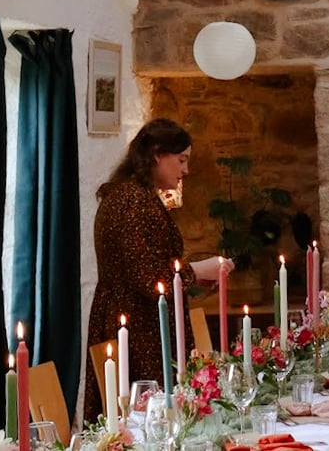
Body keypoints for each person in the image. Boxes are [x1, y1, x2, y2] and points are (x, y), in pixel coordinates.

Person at [85, 118, 235, 421]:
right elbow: (150, 279)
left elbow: (146, 266)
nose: (186, 170)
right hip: (139, 328)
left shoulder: (132, 196)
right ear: (157, 154)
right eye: (181, 160)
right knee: (147, 419)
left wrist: (194, 279)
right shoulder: (133, 201)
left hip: (133, 319)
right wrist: (198, 270)